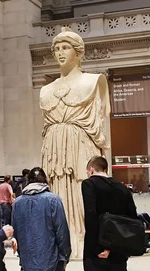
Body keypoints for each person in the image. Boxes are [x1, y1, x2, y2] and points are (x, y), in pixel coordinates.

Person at [40, 27, 111, 258]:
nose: (60, 53)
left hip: (81, 146)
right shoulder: (46, 90)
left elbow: (100, 123)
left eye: (65, 47)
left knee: (84, 195)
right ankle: (62, 241)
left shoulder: (94, 81)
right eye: (57, 48)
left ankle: (84, 241)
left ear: (78, 52)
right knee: (58, 192)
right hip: (55, 150)